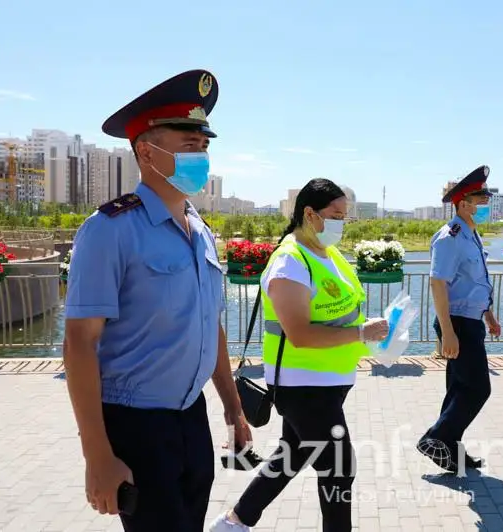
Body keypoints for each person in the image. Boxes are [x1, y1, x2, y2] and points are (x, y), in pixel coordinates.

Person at [62, 69, 251, 531]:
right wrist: (98, 457)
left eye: (204, 147)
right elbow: (80, 344)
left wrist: (232, 407)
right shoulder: (110, 230)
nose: (201, 157)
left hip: (193, 420)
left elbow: (212, 325)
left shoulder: (201, 231)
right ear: (147, 150)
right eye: (189, 145)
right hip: (137, 426)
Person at [210, 179, 389, 532]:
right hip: (302, 385)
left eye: (345, 216)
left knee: (291, 455)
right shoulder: (290, 261)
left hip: (332, 381)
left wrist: (368, 328)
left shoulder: (328, 253)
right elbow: (300, 334)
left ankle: (234, 522)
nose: (341, 222)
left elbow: (339, 311)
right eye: (335, 215)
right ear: (310, 214)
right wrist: (358, 334)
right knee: (339, 468)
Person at [416, 165, 502, 474]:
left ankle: (448, 450)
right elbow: (438, 283)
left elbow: (474, 281)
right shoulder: (450, 236)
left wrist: (488, 314)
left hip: (471, 320)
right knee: (479, 389)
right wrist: (448, 333)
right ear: (463, 202)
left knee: (459, 389)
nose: (485, 207)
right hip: (458, 323)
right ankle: (436, 438)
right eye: (481, 200)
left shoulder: (470, 234)